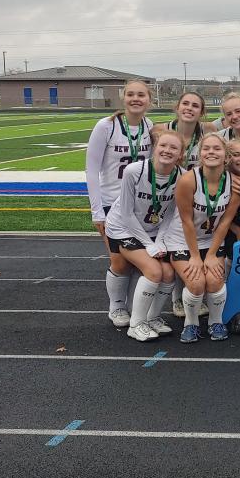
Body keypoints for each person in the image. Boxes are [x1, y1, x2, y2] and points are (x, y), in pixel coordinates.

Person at [160, 133, 240, 343]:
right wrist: (196, 257)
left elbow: (224, 222)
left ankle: (216, 322)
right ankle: (191, 323)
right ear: (200, 154)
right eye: (207, 149)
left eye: (217, 149)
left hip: (211, 239)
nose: (211, 152)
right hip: (182, 239)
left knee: (214, 281)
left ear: (226, 156)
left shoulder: (234, 184)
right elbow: (186, 221)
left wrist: (212, 254)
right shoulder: (188, 180)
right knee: (196, 283)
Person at [103, 130, 184, 342]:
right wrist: (149, 244)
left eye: (173, 148)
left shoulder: (183, 177)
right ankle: (132, 320)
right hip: (123, 227)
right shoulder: (134, 171)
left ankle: (152, 317)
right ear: (155, 148)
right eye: (163, 145)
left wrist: (159, 241)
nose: (167, 150)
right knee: (150, 270)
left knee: (168, 273)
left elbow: (169, 216)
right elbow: (127, 214)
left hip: (154, 230)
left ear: (180, 154)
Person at [86, 78, 154, 327]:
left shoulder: (150, 126)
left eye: (141, 95)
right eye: (131, 95)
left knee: (140, 260)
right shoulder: (106, 126)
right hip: (112, 204)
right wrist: (97, 212)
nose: (136, 99)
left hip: (139, 206)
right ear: (123, 98)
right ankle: (116, 307)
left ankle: (135, 307)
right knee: (120, 260)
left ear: (149, 100)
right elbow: (91, 170)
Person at [151, 91, 217, 168]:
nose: (189, 108)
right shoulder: (160, 130)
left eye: (195, 106)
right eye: (185, 103)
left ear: (201, 113)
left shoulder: (208, 130)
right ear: (177, 108)